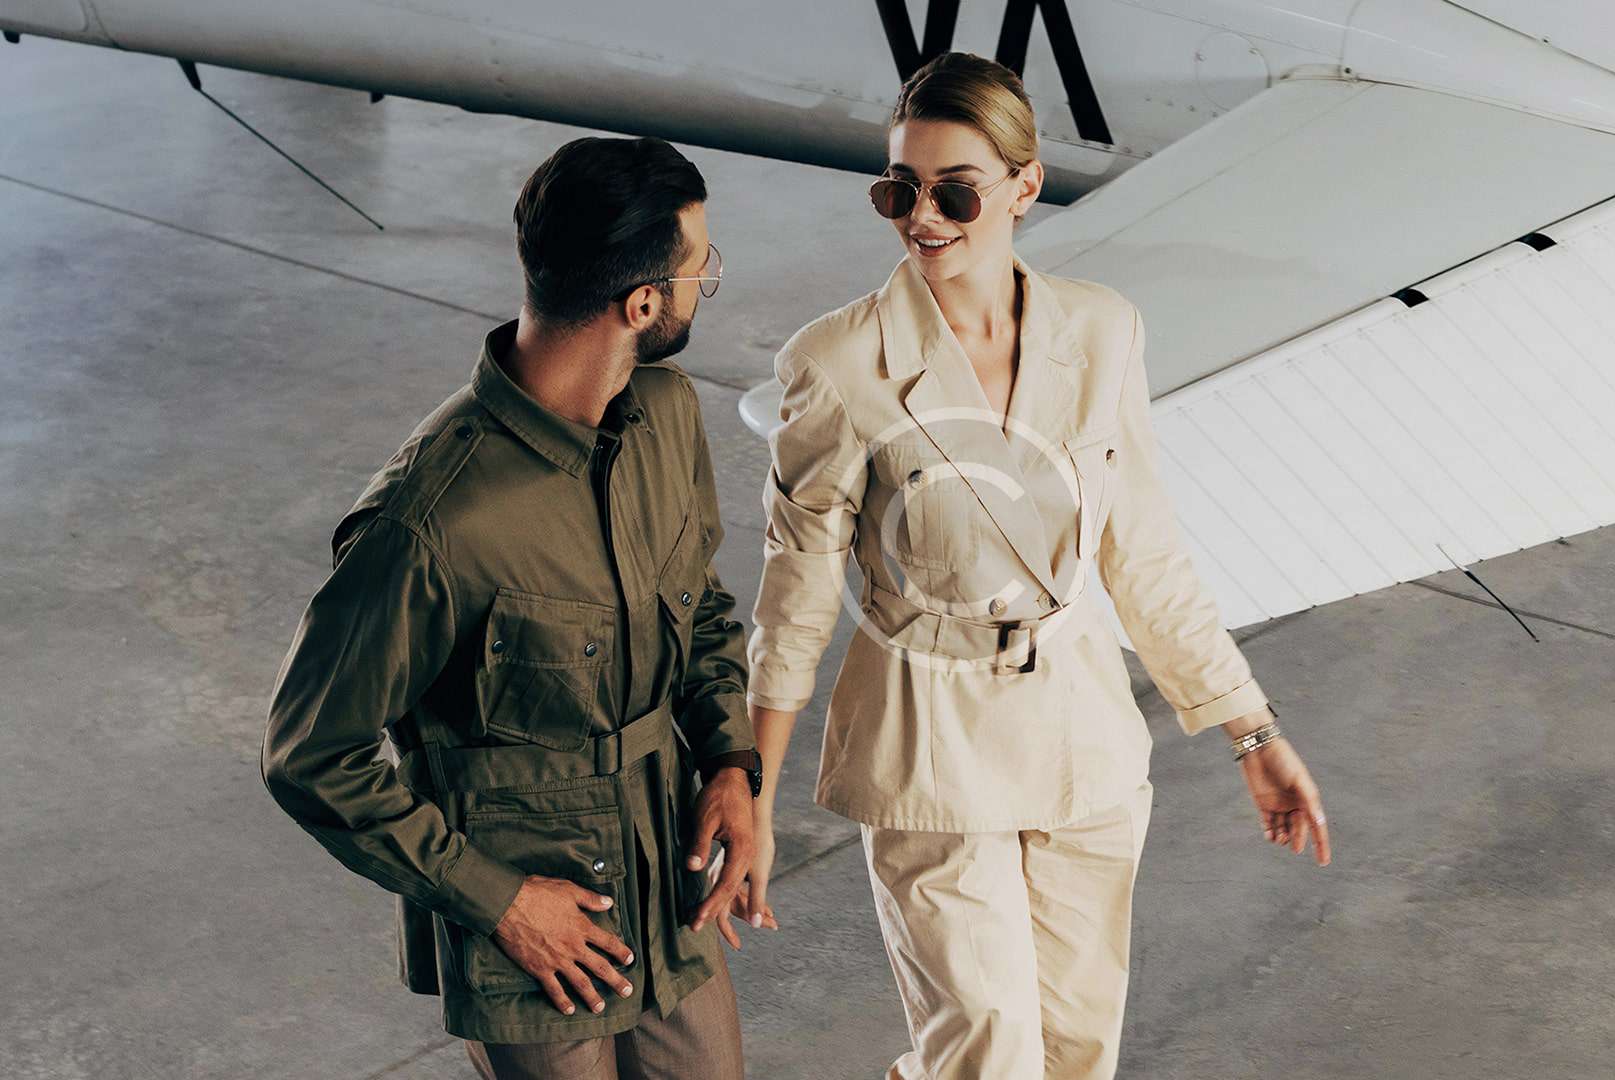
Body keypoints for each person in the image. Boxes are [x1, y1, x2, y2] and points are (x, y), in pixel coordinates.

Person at [740, 52, 1334, 1079]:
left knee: (1076, 1053)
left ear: (1025, 186)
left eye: (955, 191)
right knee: (986, 1053)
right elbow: (795, 595)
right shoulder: (837, 363)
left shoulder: (1101, 332)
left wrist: (1253, 730)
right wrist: (753, 798)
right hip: (928, 745)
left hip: (1081, 742)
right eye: (899, 190)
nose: (922, 218)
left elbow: (1143, 552)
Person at [261, 135, 768, 1080]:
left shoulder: (666, 418)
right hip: (536, 934)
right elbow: (310, 753)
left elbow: (699, 608)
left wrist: (731, 763)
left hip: (667, 882)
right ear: (643, 303)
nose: (706, 285)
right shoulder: (433, 520)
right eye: (701, 269)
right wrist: (498, 901)